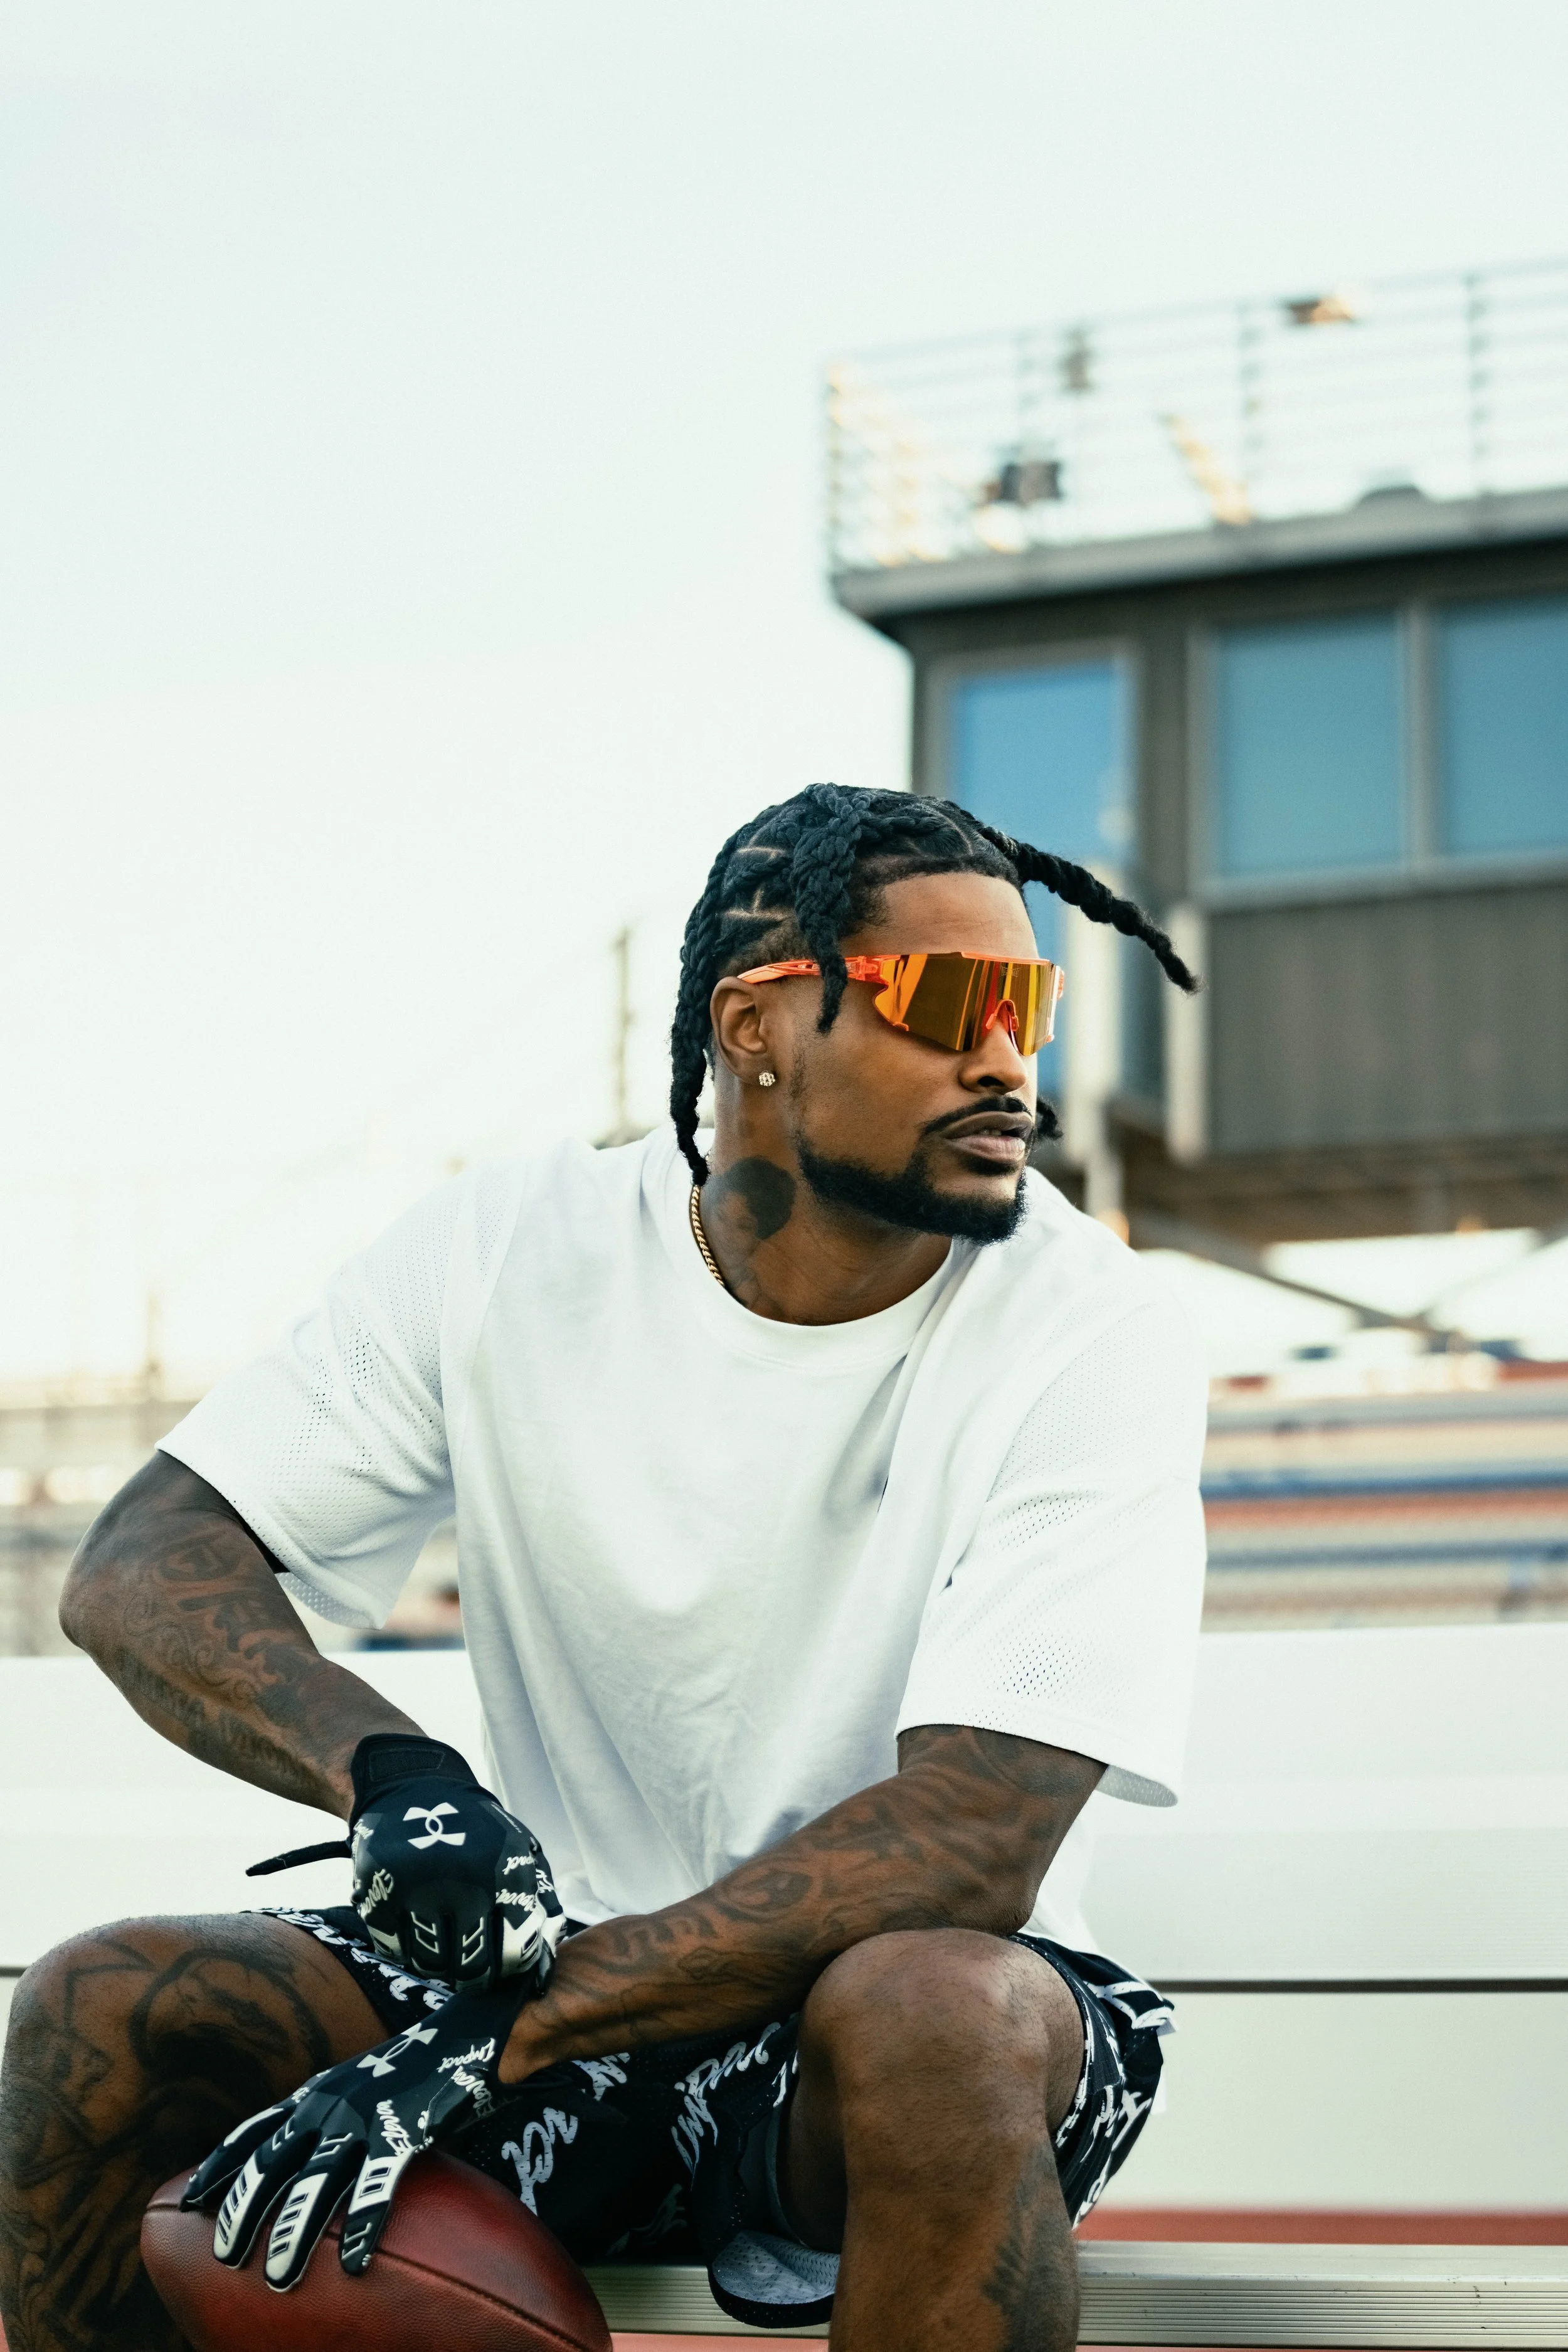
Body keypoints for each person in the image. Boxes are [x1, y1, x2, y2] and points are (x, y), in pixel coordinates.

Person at [0, 785, 1207, 2352]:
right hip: (554, 1985)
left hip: (856, 2049)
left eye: (1026, 1002)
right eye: (954, 1003)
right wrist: (396, 1780)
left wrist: (506, 2036)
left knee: (942, 2012)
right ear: (761, 1023)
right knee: (105, 2007)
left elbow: (971, 1840)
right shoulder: (509, 1245)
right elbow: (144, 1563)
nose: (1007, 1059)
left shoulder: (1092, 1329)